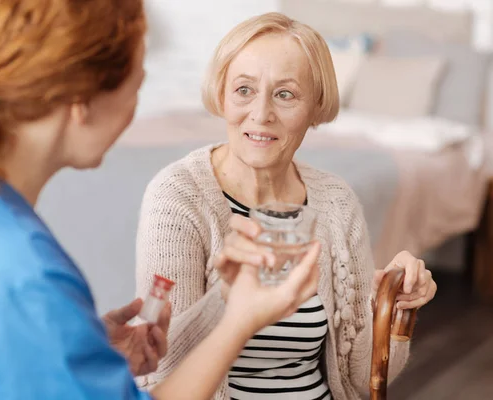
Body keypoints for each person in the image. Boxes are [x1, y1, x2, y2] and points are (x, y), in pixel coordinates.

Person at [0, 2, 323, 399]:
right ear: (82, 102)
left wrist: (85, 350)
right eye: (138, 84)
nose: (137, 105)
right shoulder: (26, 280)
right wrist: (239, 322)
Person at [135, 12, 437, 400]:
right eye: (244, 89)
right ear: (222, 95)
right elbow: (163, 372)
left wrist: (396, 309)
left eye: (285, 94)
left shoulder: (336, 203)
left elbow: (361, 380)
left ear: (316, 107)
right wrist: (229, 300)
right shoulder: (178, 199)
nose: (261, 114)